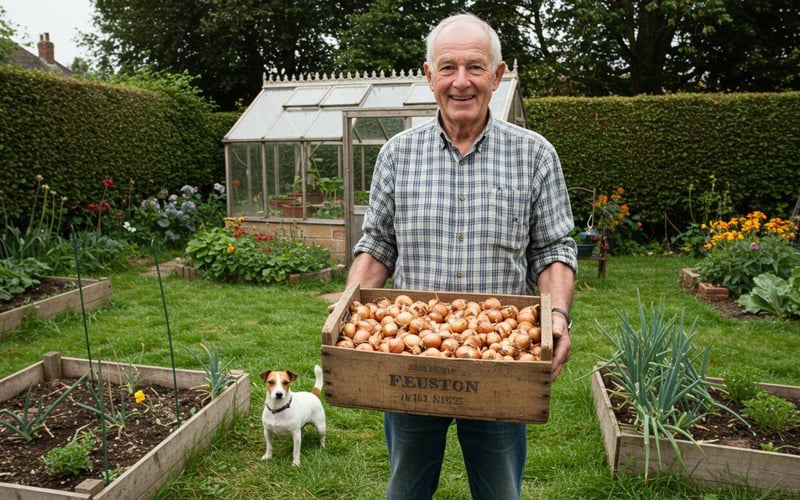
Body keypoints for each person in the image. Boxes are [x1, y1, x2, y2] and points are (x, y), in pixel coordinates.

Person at [346, 12, 577, 500]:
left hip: (504, 359)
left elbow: (554, 248)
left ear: (498, 75)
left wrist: (556, 315)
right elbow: (377, 243)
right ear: (429, 76)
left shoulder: (535, 155)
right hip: (408, 360)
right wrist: (350, 301)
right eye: (447, 67)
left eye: (475, 67)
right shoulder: (396, 154)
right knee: (406, 488)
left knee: (499, 491)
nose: (461, 81)